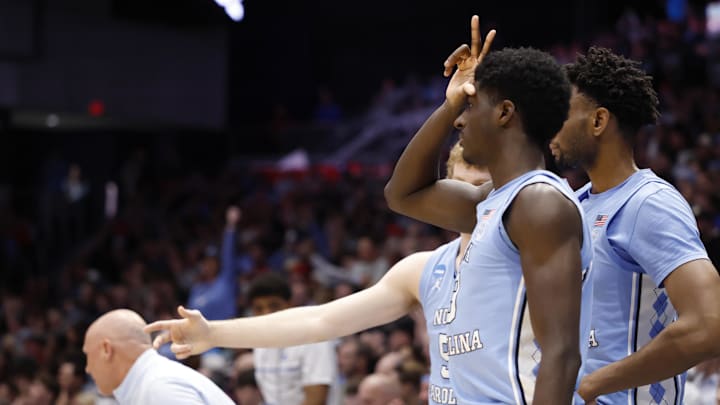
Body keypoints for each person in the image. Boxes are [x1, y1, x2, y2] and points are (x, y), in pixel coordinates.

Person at [144, 135, 494, 404]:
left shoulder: (527, 262)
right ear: (445, 189)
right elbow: (321, 320)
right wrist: (214, 333)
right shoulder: (423, 269)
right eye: (463, 187)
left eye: (484, 189)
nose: (473, 200)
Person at [383, 16, 592, 404]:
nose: (459, 119)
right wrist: (450, 102)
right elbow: (401, 194)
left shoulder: (539, 203)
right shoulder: (491, 202)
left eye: (470, 105)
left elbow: (562, 355)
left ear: (504, 113)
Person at [549, 46, 720, 404]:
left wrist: (594, 384)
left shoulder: (649, 203)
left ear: (598, 121)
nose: (551, 125)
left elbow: (709, 323)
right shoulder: (574, 204)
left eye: (561, 112)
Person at [82, 309, 234, 405]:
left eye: (88, 355)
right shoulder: (151, 382)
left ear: (106, 349)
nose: (88, 369)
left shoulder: (157, 387)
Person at [246, 273, 337, 405]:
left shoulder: (314, 338)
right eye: (258, 308)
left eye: (274, 306)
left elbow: (316, 400)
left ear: (289, 305)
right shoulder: (259, 344)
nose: (266, 313)